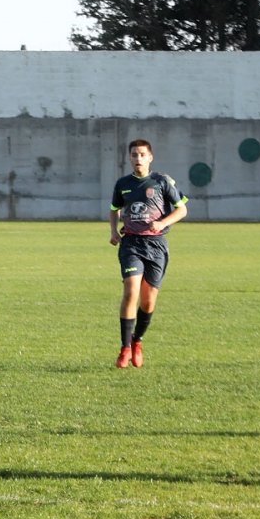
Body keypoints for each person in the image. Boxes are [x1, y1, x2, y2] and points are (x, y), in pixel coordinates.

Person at [109, 139, 188, 368]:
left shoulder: (162, 181)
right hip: (131, 244)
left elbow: (182, 209)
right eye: (134, 155)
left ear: (150, 157)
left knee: (148, 300)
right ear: (130, 158)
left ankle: (137, 342)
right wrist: (114, 231)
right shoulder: (123, 183)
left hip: (156, 246)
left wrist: (163, 222)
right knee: (131, 292)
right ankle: (124, 349)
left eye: (142, 154)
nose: (138, 158)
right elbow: (114, 209)